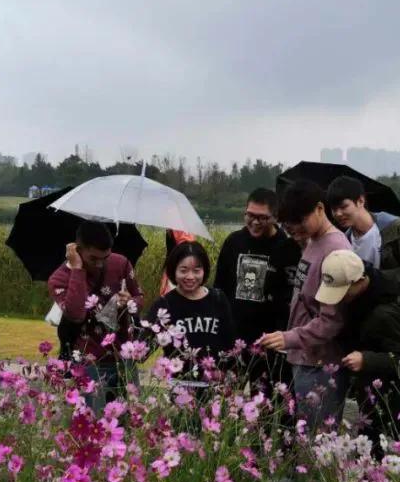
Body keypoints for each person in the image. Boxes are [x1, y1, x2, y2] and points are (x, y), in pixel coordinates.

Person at [257, 180, 351, 430]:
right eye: (289, 226)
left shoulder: (336, 250)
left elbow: (332, 319)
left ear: (320, 208)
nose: (294, 230)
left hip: (321, 363)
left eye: (300, 222)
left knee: (318, 441)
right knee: (304, 436)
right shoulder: (313, 242)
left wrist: (290, 338)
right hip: (305, 358)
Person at [318, 249, 400, 456]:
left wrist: (366, 359)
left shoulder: (385, 313)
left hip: (392, 400)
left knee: (383, 456)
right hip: (369, 393)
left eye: (343, 291)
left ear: (360, 281)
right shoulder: (358, 302)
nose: (340, 298)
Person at [326, 176, 400, 348]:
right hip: (371, 321)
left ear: (360, 201)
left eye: (343, 207)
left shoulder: (393, 227)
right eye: (334, 209)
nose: (338, 214)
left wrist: (376, 279)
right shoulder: (345, 241)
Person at [48, 220, 144, 413]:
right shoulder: (59, 279)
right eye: (93, 259)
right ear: (77, 250)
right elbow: (75, 314)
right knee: (89, 422)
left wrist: (130, 302)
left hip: (123, 358)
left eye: (105, 257)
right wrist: (77, 270)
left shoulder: (120, 263)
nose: (100, 264)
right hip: (87, 361)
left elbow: (139, 298)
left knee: (127, 421)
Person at [214, 188, 301, 392]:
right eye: (250, 215)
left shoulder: (288, 248)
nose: (254, 222)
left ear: (275, 217)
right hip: (234, 338)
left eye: (262, 218)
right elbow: (220, 289)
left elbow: (291, 297)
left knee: (267, 405)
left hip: (270, 343)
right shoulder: (233, 242)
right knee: (223, 400)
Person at [145, 241, 236, 395]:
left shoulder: (218, 298)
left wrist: (229, 374)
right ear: (173, 270)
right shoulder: (165, 304)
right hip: (181, 386)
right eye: (184, 270)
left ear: (204, 271)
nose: (190, 276)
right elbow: (145, 346)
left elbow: (230, 341)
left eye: (196, 270)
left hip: (214, 385)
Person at [158, 229, 197, 296]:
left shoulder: (172, 228)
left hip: (173, 267)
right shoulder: (182, 230)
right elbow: (187, 247)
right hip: (178, 267)